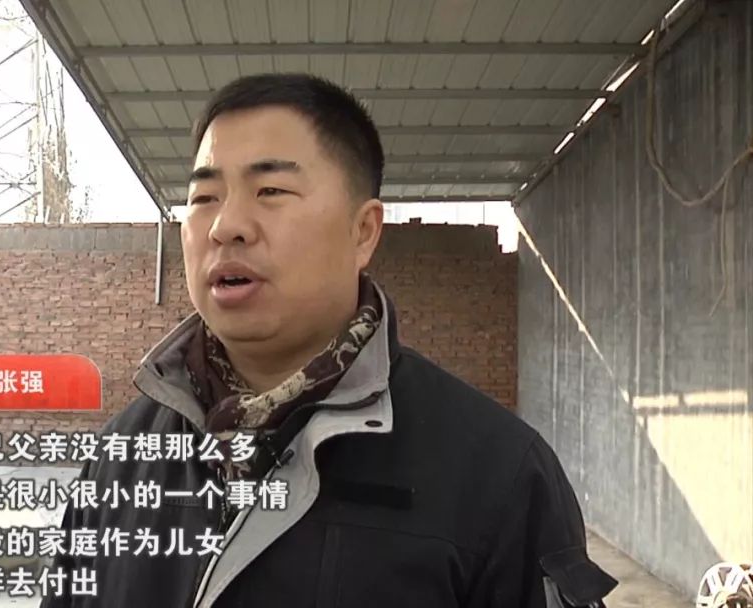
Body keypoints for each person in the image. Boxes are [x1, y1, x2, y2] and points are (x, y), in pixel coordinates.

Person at [43, 73, 618, 608]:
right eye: (204, 198)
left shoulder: (501, 475)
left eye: (270, 190)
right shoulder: (121, 457)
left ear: (363, 232)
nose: (225, 226)